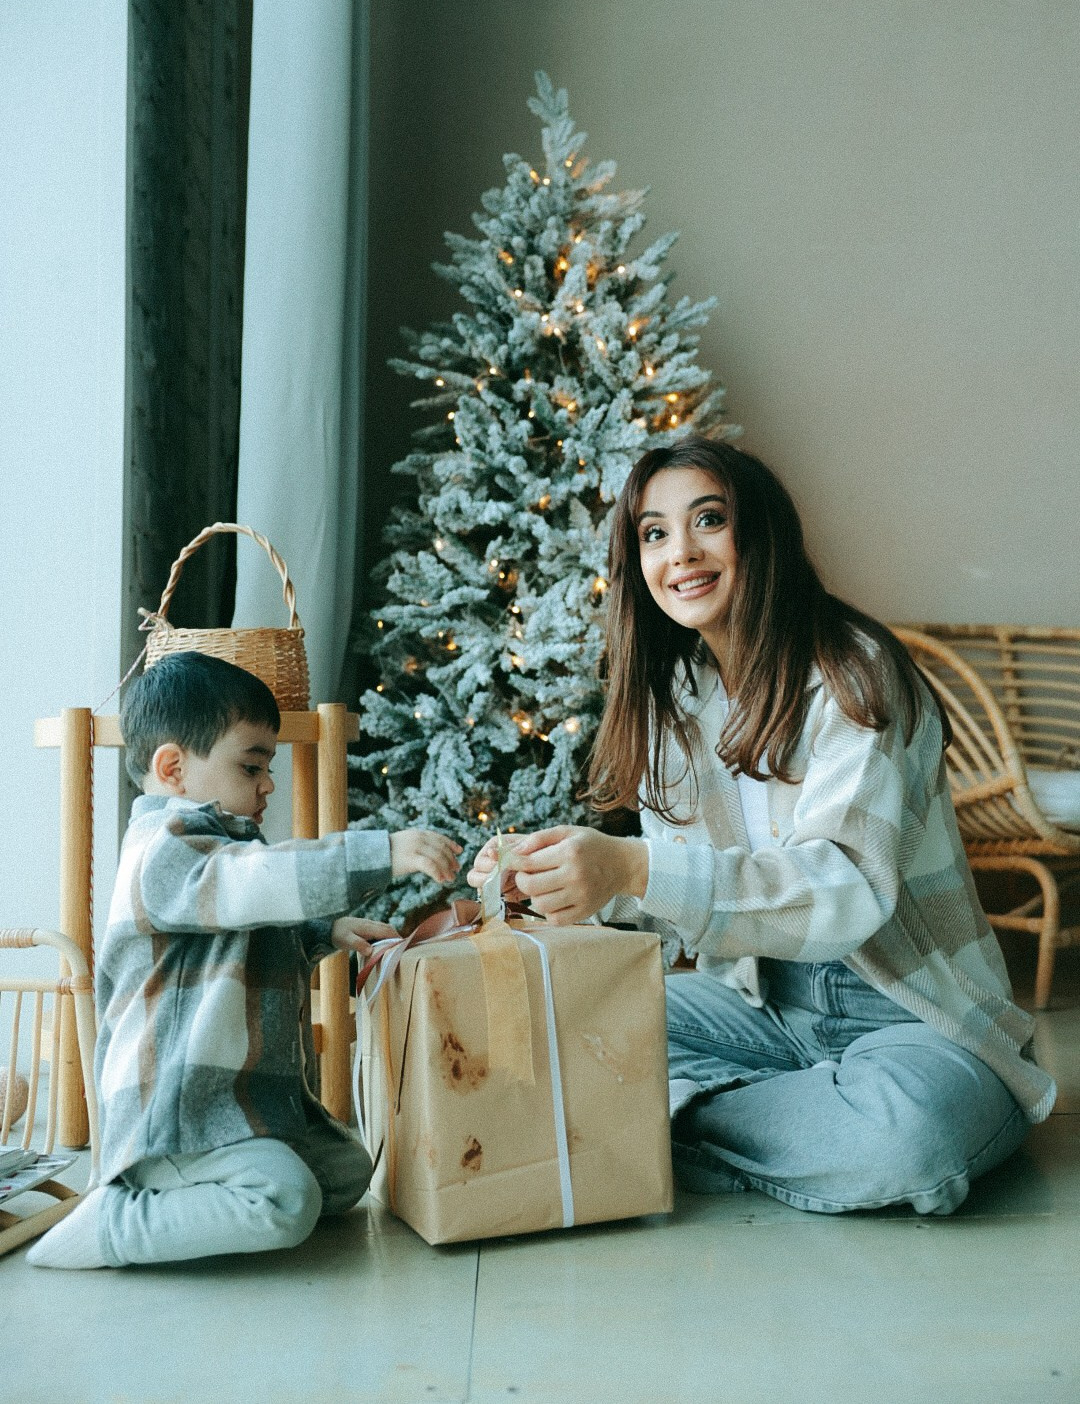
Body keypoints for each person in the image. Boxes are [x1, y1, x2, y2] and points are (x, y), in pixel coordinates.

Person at [470, 437, 1055, 1215]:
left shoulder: (857, 673)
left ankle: (675, 1122)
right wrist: (563, 881)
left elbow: (843, 890)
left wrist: (632, 868)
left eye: (708, 520)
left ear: (761, 535)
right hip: (758, 1005)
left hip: (910, 1013)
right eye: (653, 533)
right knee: (553, 1020)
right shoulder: (672, 695)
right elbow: (679, 908)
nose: (681, 552)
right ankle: (783, 1115)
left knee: (909, 1139)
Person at [30, 650, 460, 1269]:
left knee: (345, 1172)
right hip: (177, 1111)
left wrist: (324, 930)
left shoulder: (220, 850)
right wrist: (383, 852)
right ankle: (114, 1222)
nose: (268, 785)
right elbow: (249, 885)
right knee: (286, 1200)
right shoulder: (165, 847)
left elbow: (246, 919)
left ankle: (214, 1194)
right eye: (251, 765)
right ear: (173, 768)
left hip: (236, 1103)